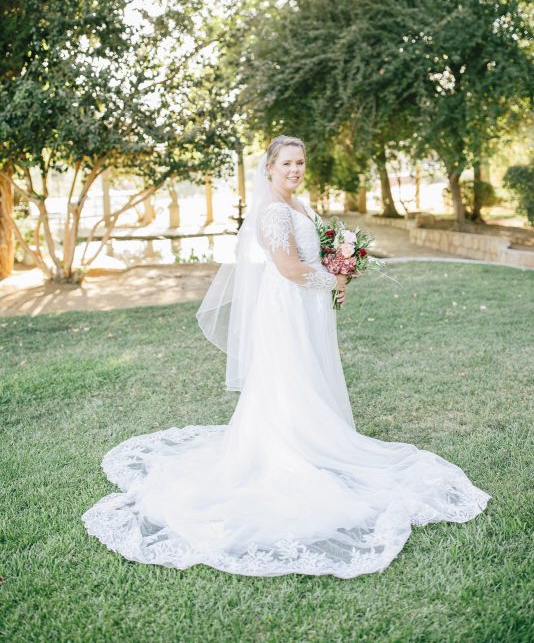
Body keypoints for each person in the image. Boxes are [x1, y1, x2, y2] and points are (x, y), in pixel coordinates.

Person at [82, 135, 490, 578]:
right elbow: (290, 268)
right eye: (288, 163)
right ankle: (297, 443)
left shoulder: (298, 205)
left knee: (309, 373)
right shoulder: (274, 212)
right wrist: (334, 281)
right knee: (291, 376)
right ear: (270, 169)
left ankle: (312, 434)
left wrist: (339, 266)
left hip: (307, 307)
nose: (295, 169)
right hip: (289, 308)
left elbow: (312, 256)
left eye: (300, 162)